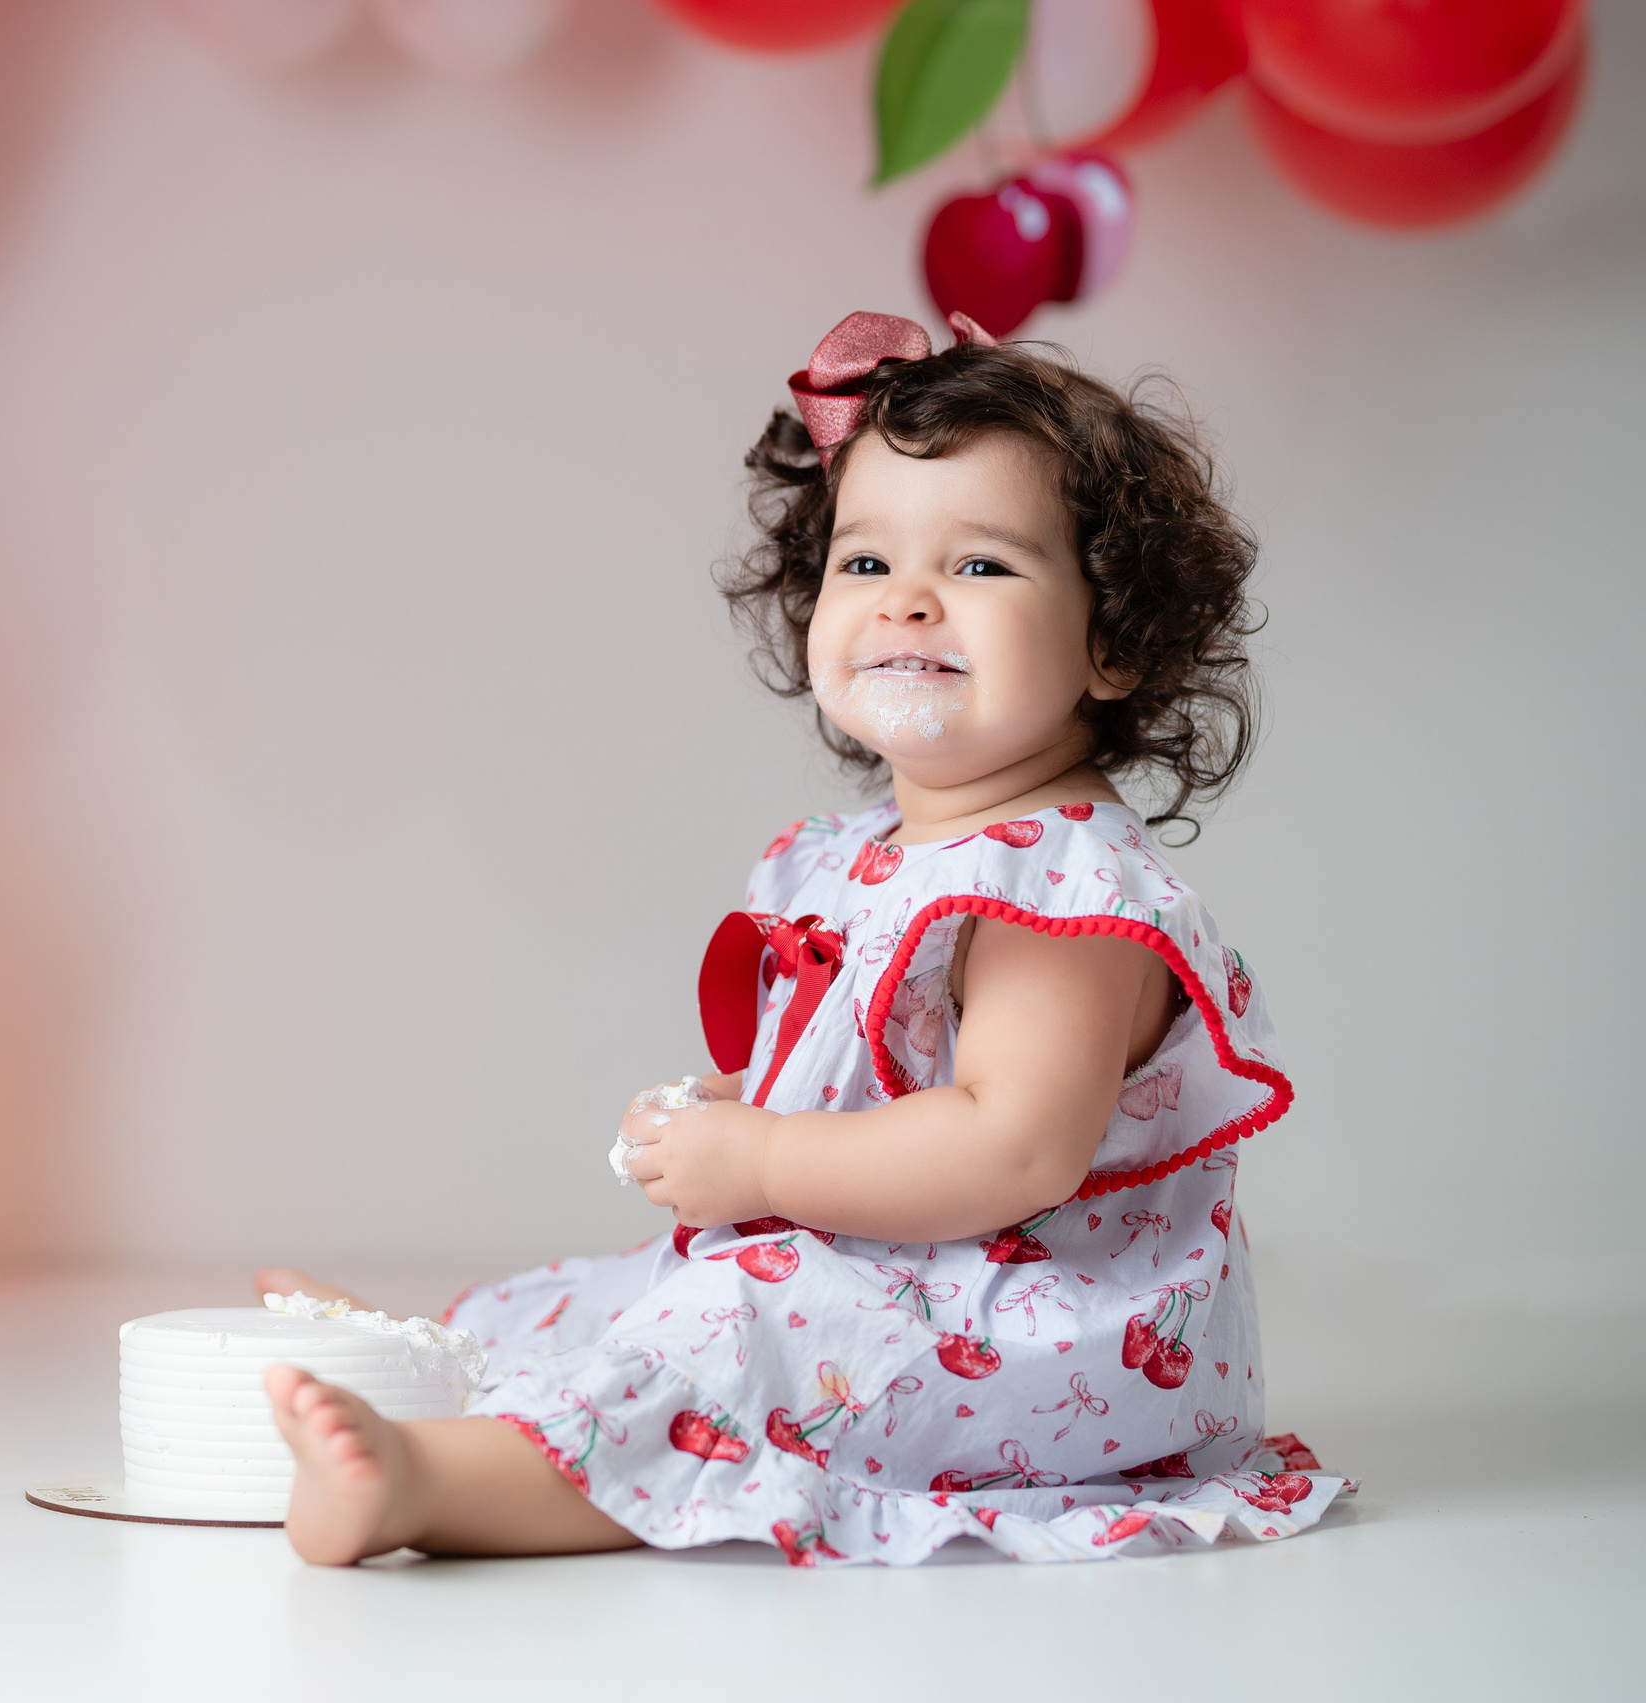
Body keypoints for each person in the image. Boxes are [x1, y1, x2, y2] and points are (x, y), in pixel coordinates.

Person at [255, 310, 1343, 1567]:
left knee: (740, 1323)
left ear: (1112, 639)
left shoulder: (1067, 889)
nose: (910, 603)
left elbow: (1014, 1144)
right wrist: (744, 1107)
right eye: (865, 564)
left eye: (981, 567)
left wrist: (768, 1157)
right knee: (635, 1288)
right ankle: (434, 1365)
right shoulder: (860, 853)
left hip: (1046, 1330)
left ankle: (427, 1482)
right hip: (909, 1273)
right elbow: (883, 1079)